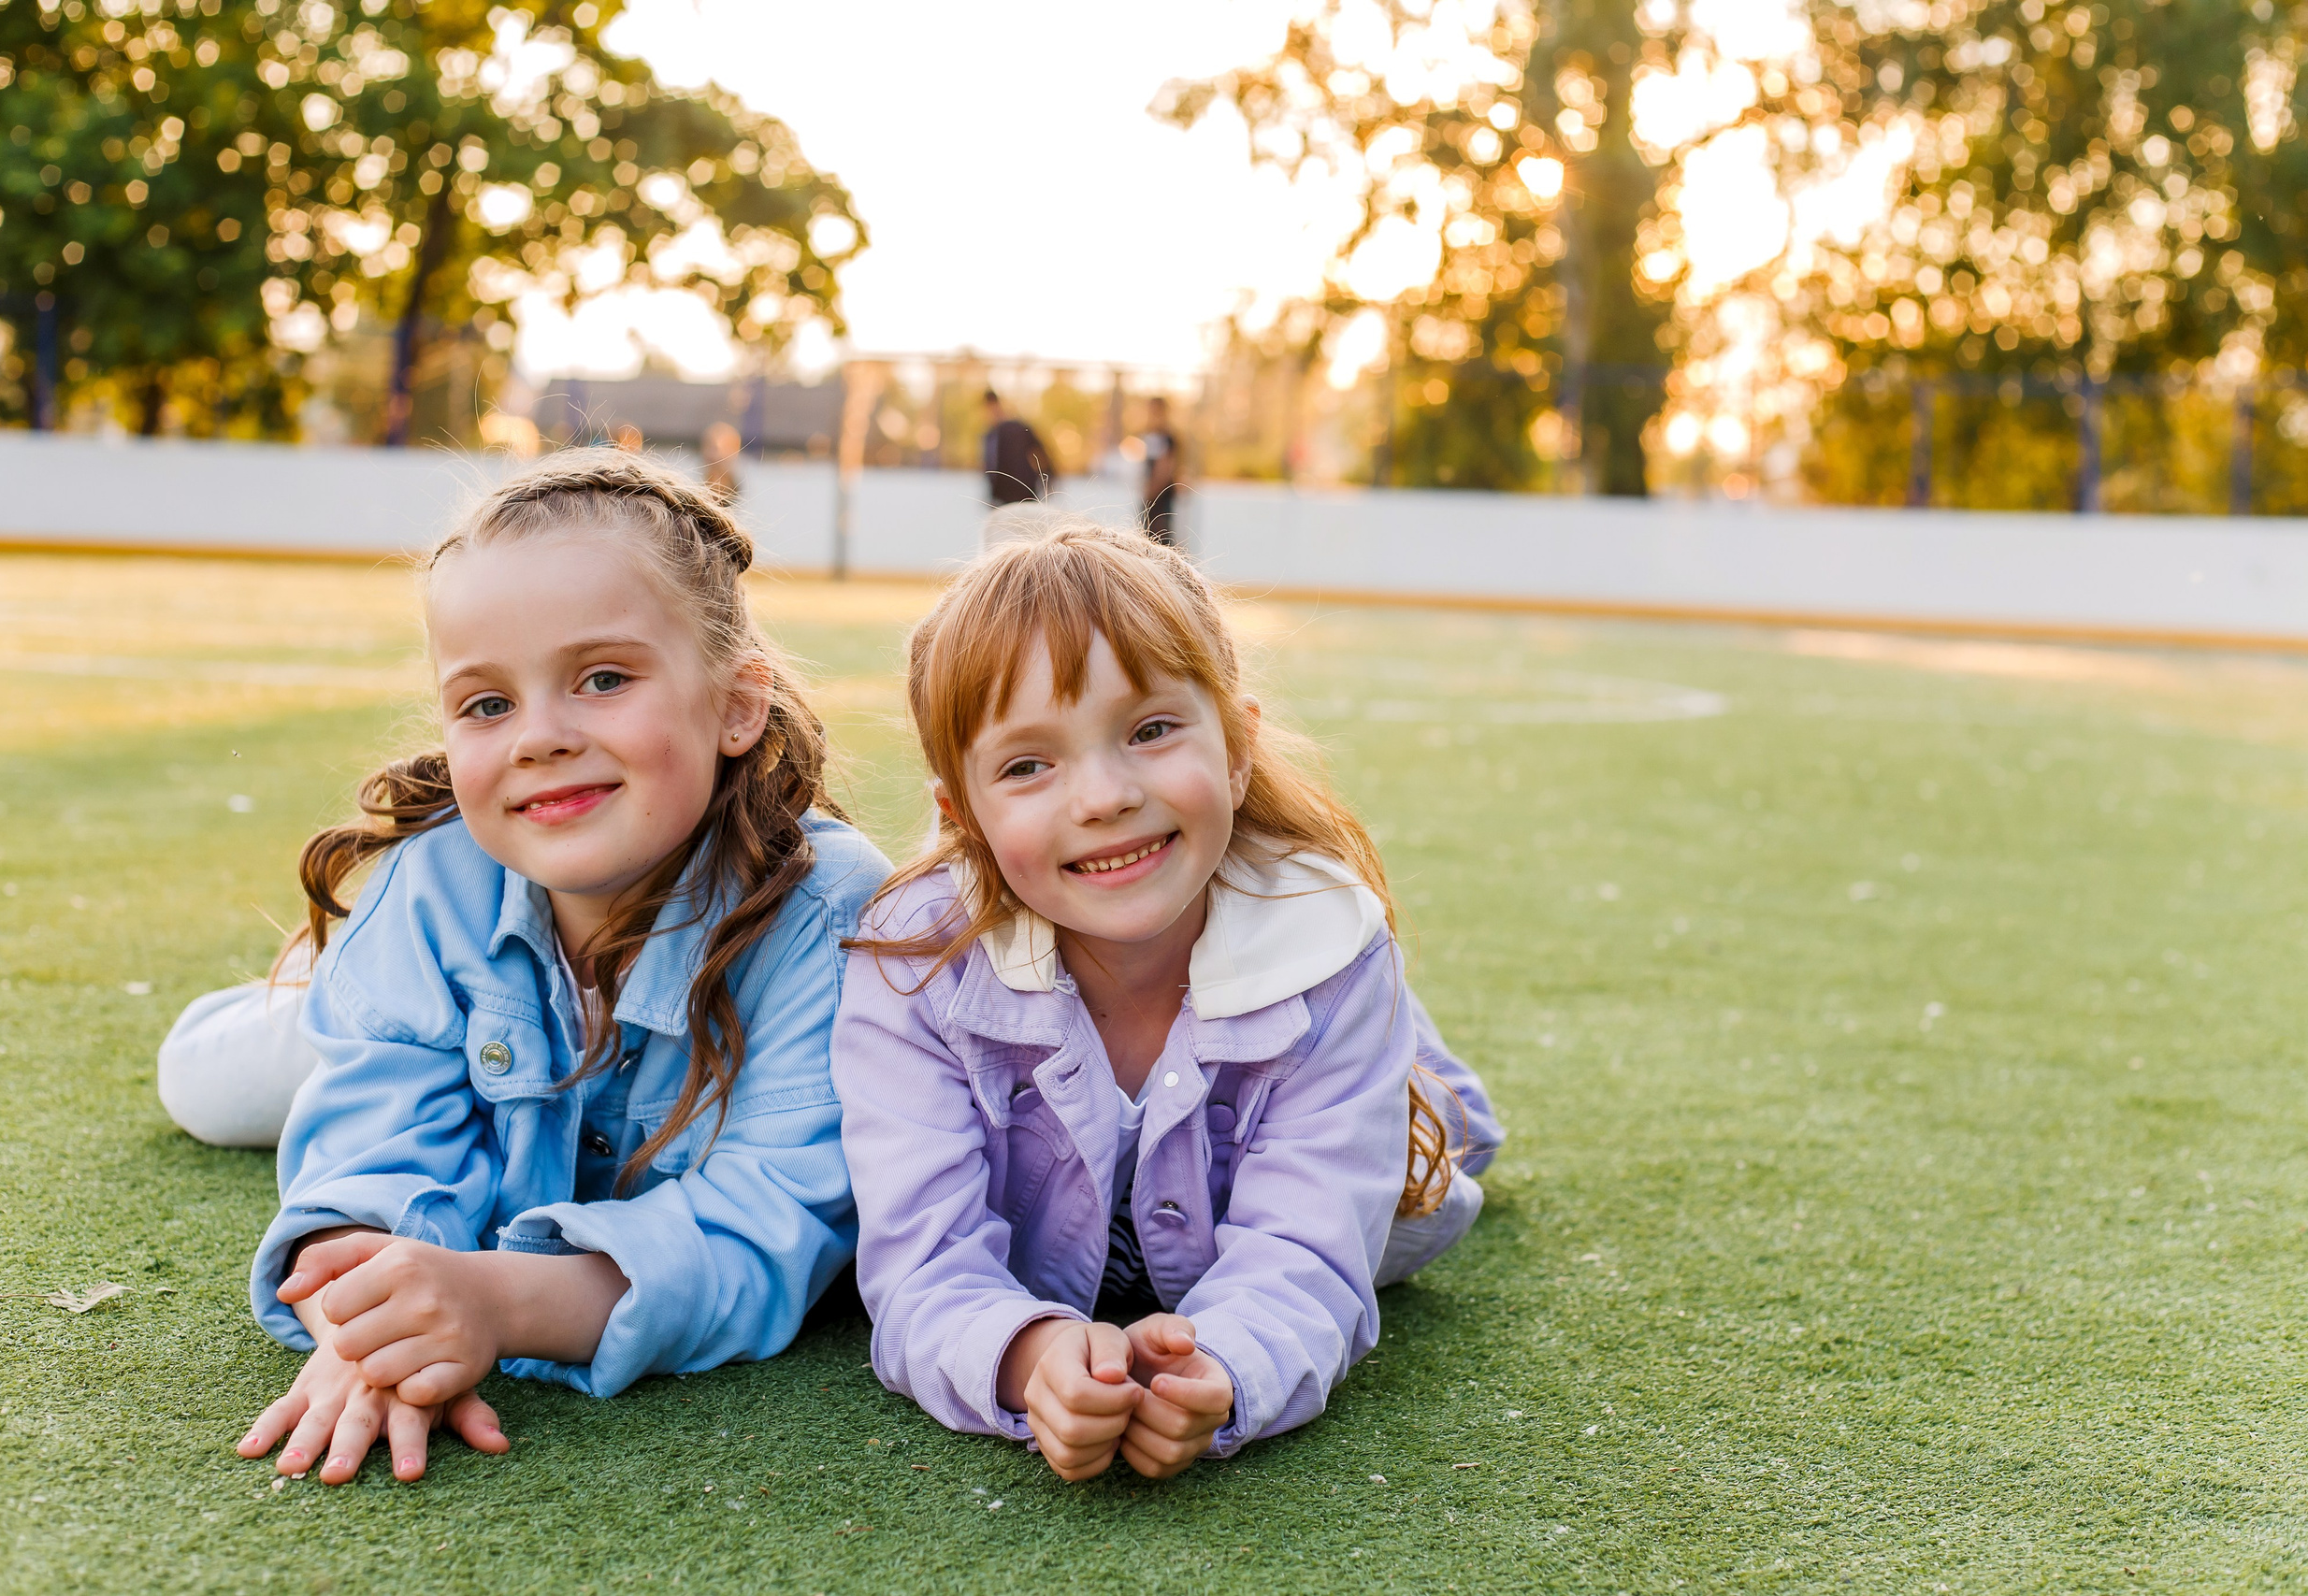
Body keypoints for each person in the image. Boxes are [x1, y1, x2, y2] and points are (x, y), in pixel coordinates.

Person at [224, 448, 888, 1486]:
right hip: (383, 1006)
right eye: (486, 705)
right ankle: (291, 1004)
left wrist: (489, 1303)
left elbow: (768, 1226)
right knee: (209, 1081)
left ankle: (308, 1005)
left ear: (735, 704)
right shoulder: (431, 886)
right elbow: (363, 1162)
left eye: (604, 679)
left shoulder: (829, 918)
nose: (538, 736)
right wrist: (372, 1319)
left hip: (446, 1046)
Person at [831, 518, 1501, 1484]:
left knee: (1450, 1134)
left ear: (1236, 749)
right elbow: (919, 1265)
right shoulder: (911, 967)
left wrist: (1222, 1371)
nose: (1102, 797)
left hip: (1337, 1054)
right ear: (961, 817)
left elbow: (1306, 1258)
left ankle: (1417, 1058)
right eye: (1027, 765)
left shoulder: (1328, 953)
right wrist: (1029, 1359)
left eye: (1149, 731)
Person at [980, 389, 1054, 507]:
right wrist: (992, 494)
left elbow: (1041, 451)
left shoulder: (1018, 428)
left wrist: (1049, 478)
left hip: (1024, 494)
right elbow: (990, 467)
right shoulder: (990, 435)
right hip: (1002, 497)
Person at [1138, 396, 1182, 546]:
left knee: (1159, 539)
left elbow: (1164, 469)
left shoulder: (1166, 438)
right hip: (1150, 496)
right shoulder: (1148, 436)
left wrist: (1151, 493)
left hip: (1160, 497)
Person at [700, 421, 742, 504]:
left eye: (716, 449)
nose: (711, 455)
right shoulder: (697, 489)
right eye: (708, 447)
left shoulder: (739, 496)